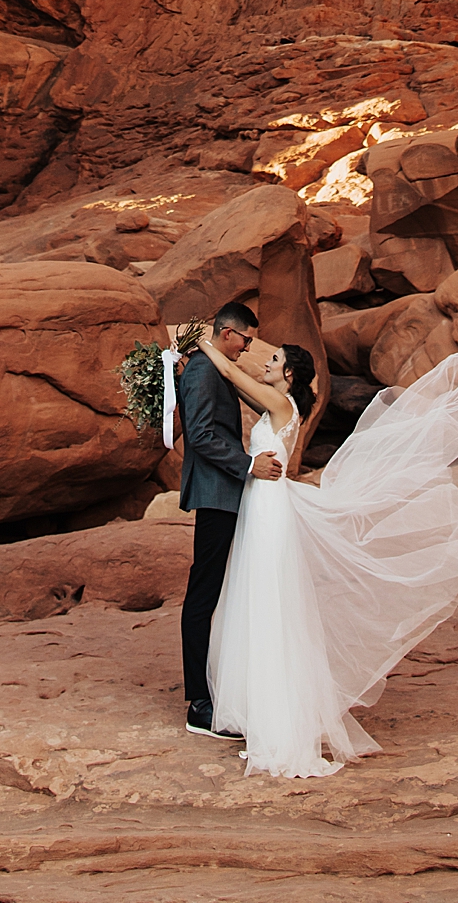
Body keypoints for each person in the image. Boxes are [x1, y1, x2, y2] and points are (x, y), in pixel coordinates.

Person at [198, 328, 458, 779]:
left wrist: (198, 342)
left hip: (269, 508)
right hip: (264, 503)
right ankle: (268, 716)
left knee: (268, 601)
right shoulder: (279, 404)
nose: (266, 360)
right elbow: (245, 390)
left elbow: (228, 370)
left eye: (275, 357)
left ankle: (278, 726)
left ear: (289, 372)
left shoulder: (281, 404)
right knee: (264, 599)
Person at [176, 299, 284, 739]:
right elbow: (200, 435)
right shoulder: (202, 371)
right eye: (246, 339)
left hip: (228, 493)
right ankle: (198, 703)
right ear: (227, 333)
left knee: (221, 587)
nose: (248, 347)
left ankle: (220, 687)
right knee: (204, 591)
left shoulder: (208, 365)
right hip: (217, 492)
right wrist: (247, 465)